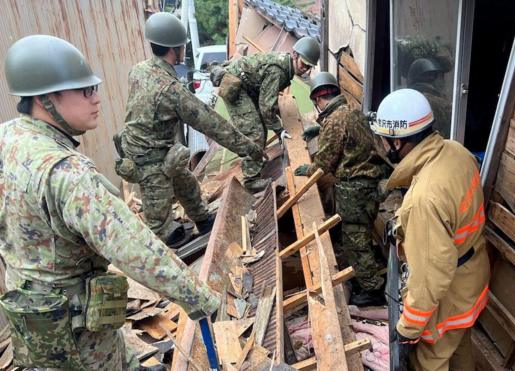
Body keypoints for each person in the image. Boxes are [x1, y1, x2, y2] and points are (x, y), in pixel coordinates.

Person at [0, 34, 222, 370]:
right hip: (78, 336)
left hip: (35, 322)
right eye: (85, 90)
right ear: (46, 99)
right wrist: (199, 297)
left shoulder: (9, 139)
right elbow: (135, 248)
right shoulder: (67, 174)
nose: (97, 99)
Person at [118, 12, 265, 247]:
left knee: (185, 182)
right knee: (161, 230)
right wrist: (250, 148)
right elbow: (213, 125)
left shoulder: (138, 70)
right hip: (148, 162)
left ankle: (202, 219)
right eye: (183, 46)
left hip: (151, 150)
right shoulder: (171, 90)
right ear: (175, 48)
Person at [371, 89, 490, 370]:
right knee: (459, 346)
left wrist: (409, 327)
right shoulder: (456, 151)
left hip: (449, 294)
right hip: (473, 273)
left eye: (385, 139)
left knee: (429, 362)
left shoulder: (423, 201)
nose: (384, 145)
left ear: (397, 142)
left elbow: (430, 274)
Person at [294, 72, 387, 305]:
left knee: (355, 239)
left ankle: (372, 290)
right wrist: (320, 129)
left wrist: (307, 169)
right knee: (361, 234)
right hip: (370, 184)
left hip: (355, 189)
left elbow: (324, 163)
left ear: (318, 99)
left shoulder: (334, 120)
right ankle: (369, 274)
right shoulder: (352, 111)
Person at [209, 36, 321, 192]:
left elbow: (267, 100)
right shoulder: (278, 70)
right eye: (304, 64)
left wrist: (275, 121)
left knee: (261, 125)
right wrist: (280, 130)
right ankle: (250, 180)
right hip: (236, 87)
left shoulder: (285, 66)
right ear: (295, 55)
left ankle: (255, 166)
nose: (305, 69)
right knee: (255, 132)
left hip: (247, 88)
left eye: (309, 67)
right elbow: (266, 107)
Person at [407, 57, 452, 137]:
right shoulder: (437, 103)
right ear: (430, 77)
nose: (443, 80)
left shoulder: (408, 98)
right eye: (440, 76)